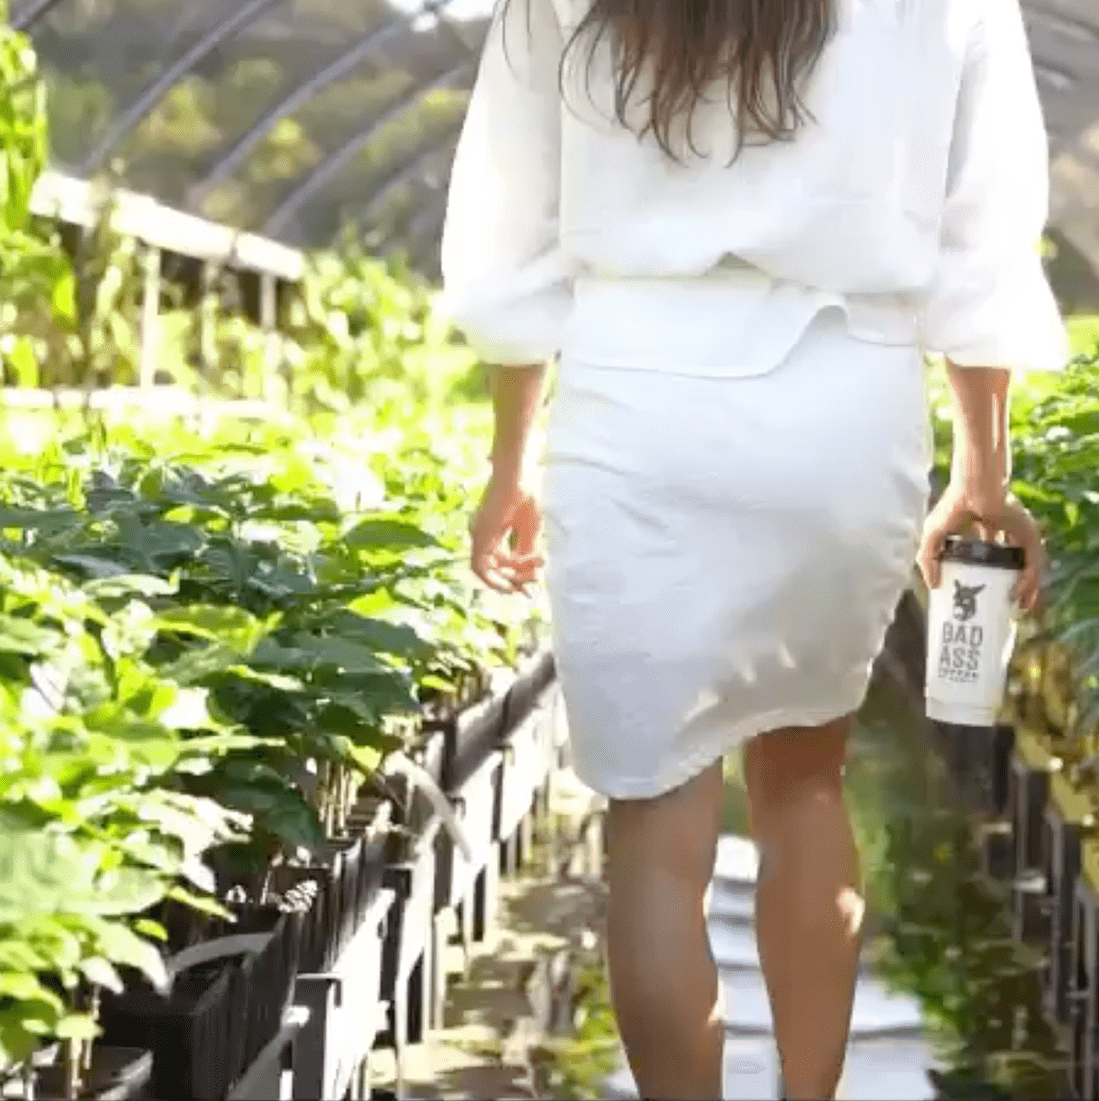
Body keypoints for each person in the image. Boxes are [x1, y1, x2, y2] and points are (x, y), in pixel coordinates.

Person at [439, 0, 1064, 1095]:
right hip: (844, 397)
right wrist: (982, 475)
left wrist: (510, 463)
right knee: (806, 786)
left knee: (654, 818)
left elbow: (511, 224)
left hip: (633, 396)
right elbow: (980, 239)